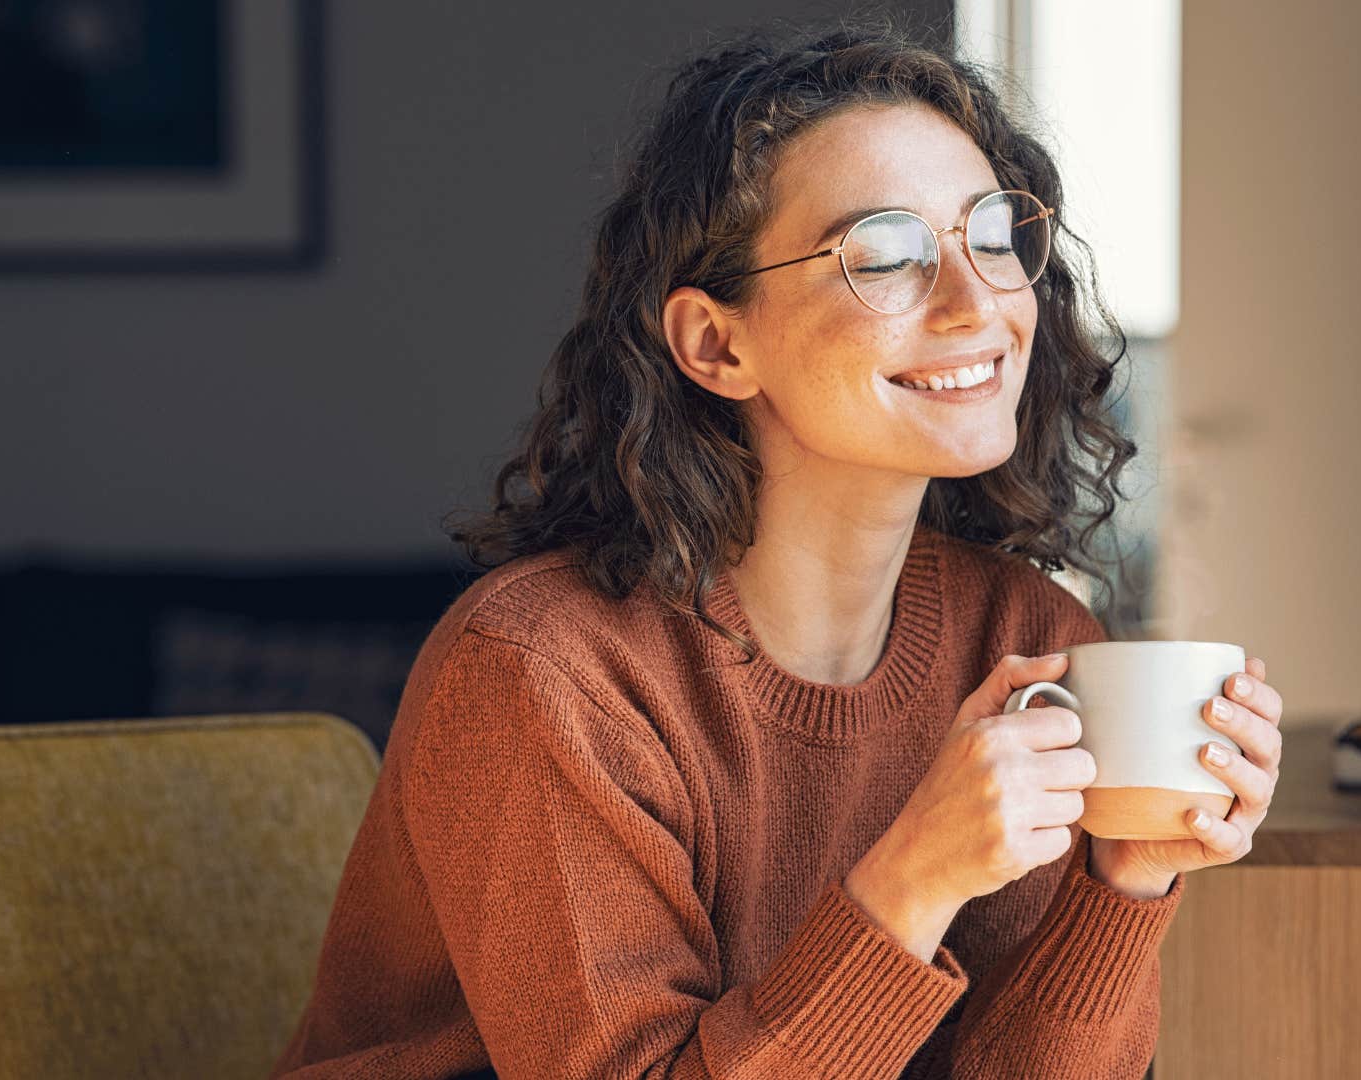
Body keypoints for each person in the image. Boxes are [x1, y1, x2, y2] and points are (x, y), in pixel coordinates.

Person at [271, 20, 1285, 1079]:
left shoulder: (1024, 640)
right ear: (718, 343)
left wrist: (1123, 883)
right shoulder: (543, 674)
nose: (977, 301)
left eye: (992, 236)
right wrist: (910, 880)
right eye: (886, 257)